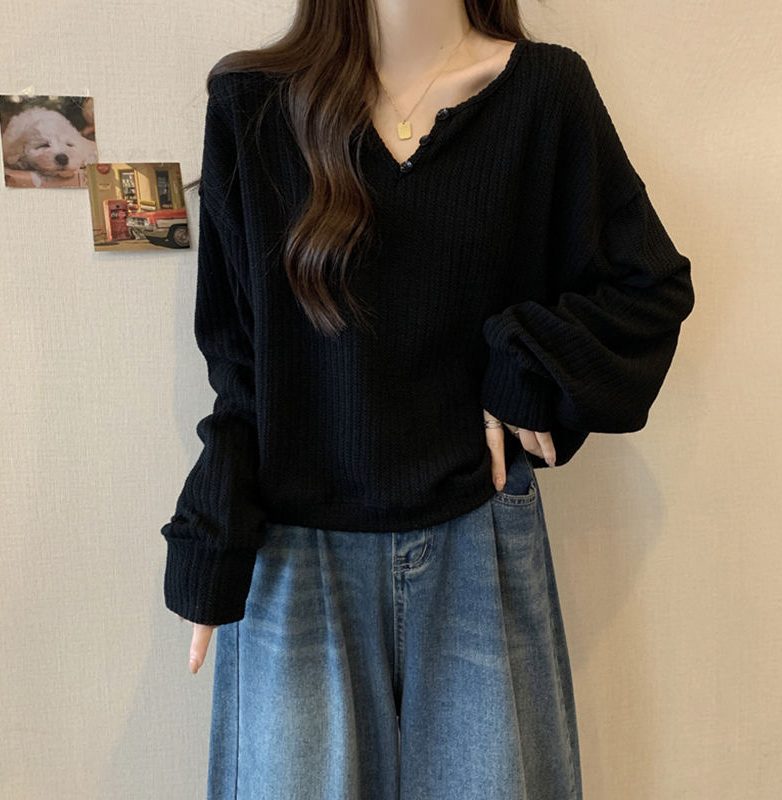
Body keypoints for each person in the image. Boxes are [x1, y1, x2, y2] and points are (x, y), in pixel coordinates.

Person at [160, 1, 695, 797]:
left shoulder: (545, 95)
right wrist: (213, 533)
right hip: (297, 548)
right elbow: (240, 364)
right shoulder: (253, 104)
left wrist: (524, 365)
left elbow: (648, 287)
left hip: (478, 530)